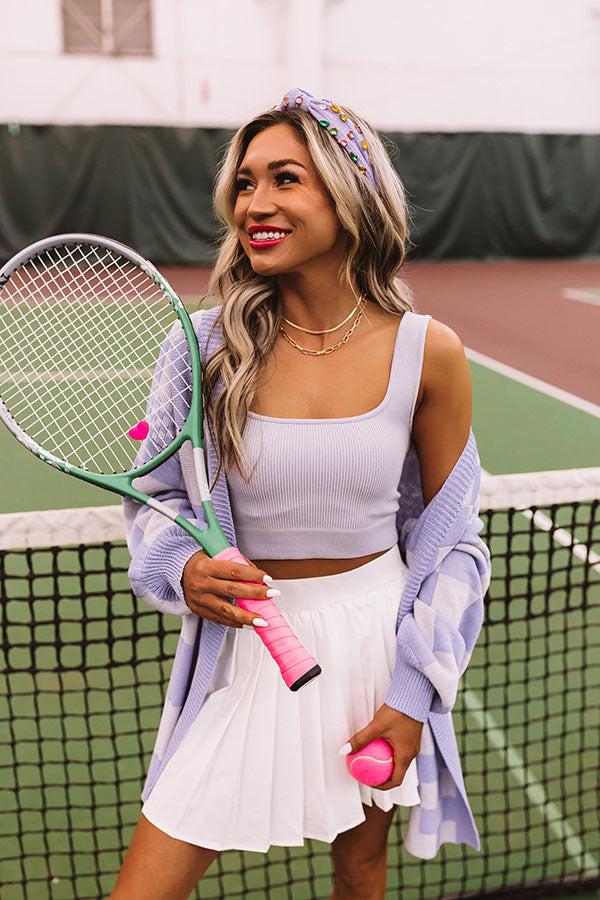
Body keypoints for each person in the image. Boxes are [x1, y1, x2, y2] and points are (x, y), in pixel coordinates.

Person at [110, 88, 489, 900]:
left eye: (286, 178)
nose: (255, 204)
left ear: (351, 196)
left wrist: (413, 695)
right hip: (247, 653)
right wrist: (181, 569)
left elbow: (453, 541)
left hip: (378, 647)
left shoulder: (430, 352)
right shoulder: (201, 346)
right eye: (245, 183)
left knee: (360, 869)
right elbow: (155, 498)